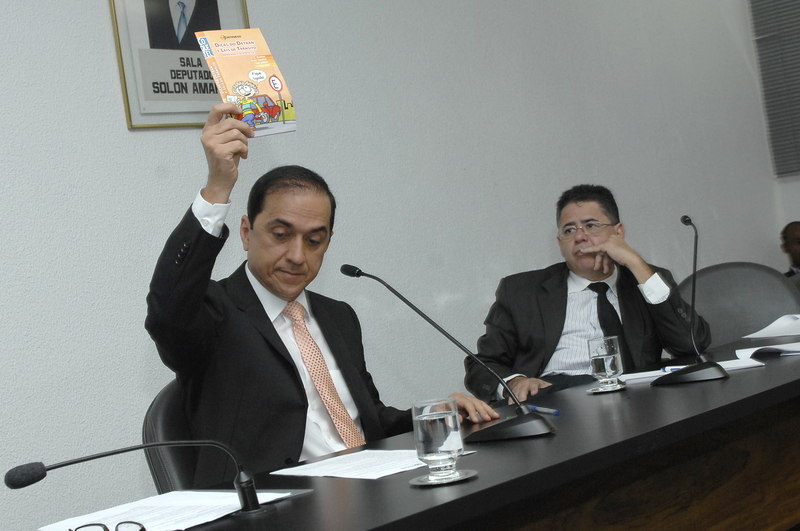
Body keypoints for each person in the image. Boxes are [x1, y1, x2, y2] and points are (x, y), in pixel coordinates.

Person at [145, 103, 497, 488]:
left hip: (369, 491)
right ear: (246, 232)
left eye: (314, 240)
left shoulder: (338, 316)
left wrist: (432, 415)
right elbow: (166, 312)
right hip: (277, 505)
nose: (298, 256)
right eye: (281, 235)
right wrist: (217, 188)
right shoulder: (216, 312)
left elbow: (370, 423)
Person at [464, 184, 711, 403]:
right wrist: (515, 382)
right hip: (556, 402)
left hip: (634, 402)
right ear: (560, 243)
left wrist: (635, 262)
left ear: (618, 234)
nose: (580, 237)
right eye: (569, 230)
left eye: (591, 226)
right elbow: (482, 365)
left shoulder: (645, 280)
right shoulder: (521, 292)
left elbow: (691, 344)